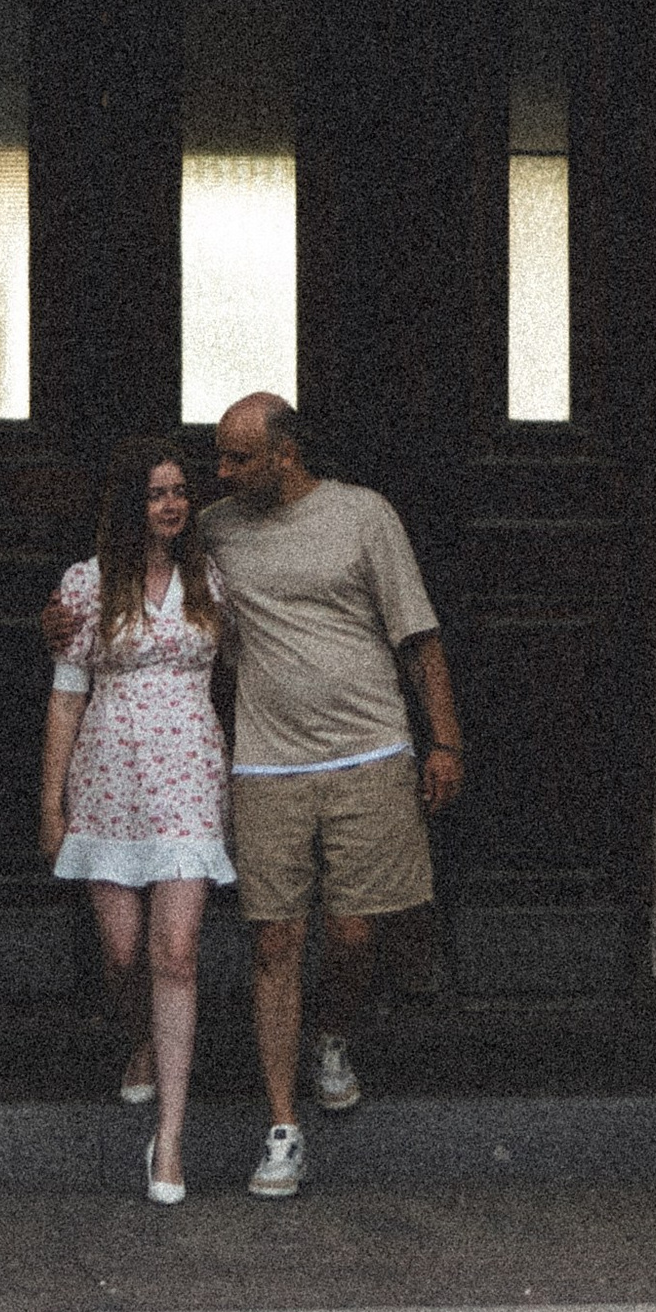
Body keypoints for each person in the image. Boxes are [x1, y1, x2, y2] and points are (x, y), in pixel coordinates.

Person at [202, 392, 464, 1199]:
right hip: (267, 764)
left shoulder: (363, 515)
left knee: (354, 935)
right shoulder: (214, 528)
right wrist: (59, 619)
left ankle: (334, 1033)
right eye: (221, 456)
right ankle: (283, 1125)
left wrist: (445, 741)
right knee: (275, 945)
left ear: (285, 453)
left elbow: (418, 636)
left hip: (370, 750)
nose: (223, 471)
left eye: (239, 457)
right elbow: (126, 575)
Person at [40, 439, 236, 1205]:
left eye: (181, 491)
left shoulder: (209, 579)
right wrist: (49, 804)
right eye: (157, 493)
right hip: (109, 778)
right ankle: (143, 1040)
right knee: (123, 956)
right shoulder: (86, 586)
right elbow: (65, 695)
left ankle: (173, 1144)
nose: (172, 504)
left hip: (188, 773)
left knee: (177, 952)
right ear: (131, 504)